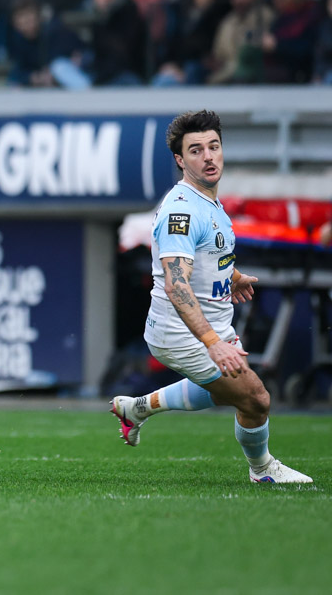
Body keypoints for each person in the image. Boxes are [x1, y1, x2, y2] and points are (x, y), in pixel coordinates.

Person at [110, 110, 312, 484]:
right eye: (196, 150)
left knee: (226, 389)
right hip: (181, 333)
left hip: (212, 321)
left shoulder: (210, 200)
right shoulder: (181, 210)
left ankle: (136, 408)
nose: (208, 156)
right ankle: (263, 470)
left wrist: (230, 275)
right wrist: (212, 343)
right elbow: (176, 283)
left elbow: (205, 256)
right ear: (180, 159)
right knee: (255, 398)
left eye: (214, 146)